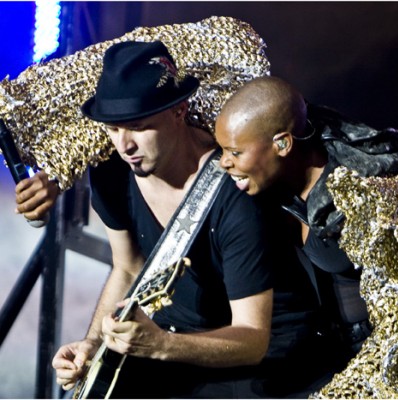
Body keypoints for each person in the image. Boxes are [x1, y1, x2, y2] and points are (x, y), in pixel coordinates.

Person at [45, 41, 333, 399]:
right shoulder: (110, 174)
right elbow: (128, 268)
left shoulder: (233, 193)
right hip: (171, 338)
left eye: (138, 127)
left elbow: (252, 338)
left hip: (261, 351)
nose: (124, 145)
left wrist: (162, 345)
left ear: (179, 111)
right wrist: (93, 345)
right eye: (113, 129)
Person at [215, 75, 398, 356]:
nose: (223, 162)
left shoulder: (359, 196)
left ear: (282, 144)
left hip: (381, 354)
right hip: (320, 351)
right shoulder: (272, 181)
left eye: (235, 152)